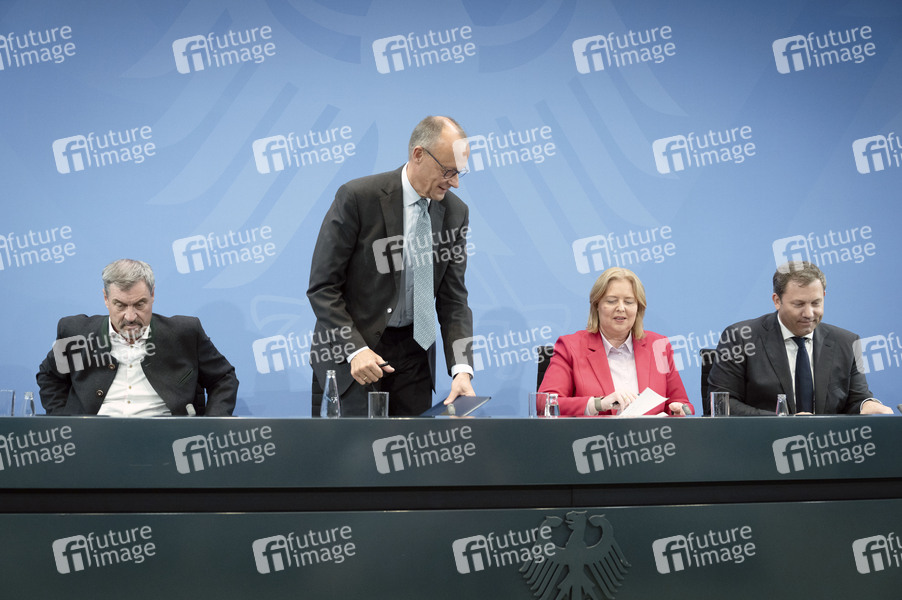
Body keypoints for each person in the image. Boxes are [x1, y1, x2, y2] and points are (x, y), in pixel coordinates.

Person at [307, 116, 476, 416]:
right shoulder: (358, 198)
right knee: (354, 445)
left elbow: (454, 300)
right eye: (448, 171)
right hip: (352, 351)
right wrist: (355, 350)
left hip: (413, 357)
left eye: (459, 172)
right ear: (418, 154)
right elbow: (323, 287)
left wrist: (462, 369)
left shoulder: (455, 212)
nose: (455, 182)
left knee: (410, 445)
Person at [36, 259, 238, 416]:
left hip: (166, 439)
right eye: (120, 305)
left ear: (153, 295)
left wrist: (212, 425)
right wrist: (64, 421)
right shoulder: (79, 335)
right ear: (106, 299)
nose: (130, 316)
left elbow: (223, 378)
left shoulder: (184, 333)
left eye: (140, 304)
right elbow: (50, 377)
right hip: (93, 439)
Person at [707, 261, 891, 415]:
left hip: (827, 443)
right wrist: (787, 422)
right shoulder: (740, 338)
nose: (809, 313)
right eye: (799, 304)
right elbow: (721, 404)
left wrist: (868, 405)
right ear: (777, 300)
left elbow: (857, 400)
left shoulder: (847, 343)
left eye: (816, 303)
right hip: (761, 442)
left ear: (824, 296)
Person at [538, 267, 691, 417]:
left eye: (629, 302)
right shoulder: (570, 347)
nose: (621, 308)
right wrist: (598, 404)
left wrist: (679, 409)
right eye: (611, 301)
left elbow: (681, 402)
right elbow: (545, 404)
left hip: (651, 433)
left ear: (638, 308)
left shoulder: (658, 346)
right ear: (597, 305)